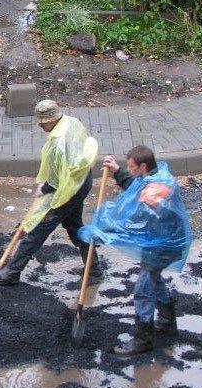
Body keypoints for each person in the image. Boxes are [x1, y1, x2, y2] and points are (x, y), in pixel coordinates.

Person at [80, 146, 192, 357]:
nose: (128, 169)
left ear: (142, 166)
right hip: (160, 242)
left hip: (163, 245)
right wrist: (116, 170)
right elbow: (135, 188)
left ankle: (143, 339)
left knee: (143, 288)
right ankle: (167, 322)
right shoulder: (153, 177)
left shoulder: (158, 190)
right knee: (154, 279)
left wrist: (105, 231)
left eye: (130, 167)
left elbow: (135, 221)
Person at [0, 100, 98, 285]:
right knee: (74, 225)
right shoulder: (71, 121)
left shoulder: (59, 142)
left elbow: (59, 180)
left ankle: (12, 272)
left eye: (43, 120)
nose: (40, 124)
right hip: (81, 182)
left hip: (69, 190)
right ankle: (94, 269)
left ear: (53, 119)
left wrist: (44, 188)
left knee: (37, 229)